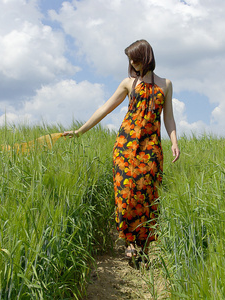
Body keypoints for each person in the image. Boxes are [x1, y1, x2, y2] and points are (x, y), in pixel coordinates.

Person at [63, 39, 180, 265]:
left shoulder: (166, 84)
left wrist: (174, 141)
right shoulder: (128, 83)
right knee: (125, 194)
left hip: (151, 148)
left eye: (135, 58)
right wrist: (80, 131)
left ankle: (144, 247)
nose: (132, 63)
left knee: (147, 196)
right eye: (130, 59)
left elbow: (168, 117)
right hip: (125, 147)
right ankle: (128, 242)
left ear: (145, 57)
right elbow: (105, 109)